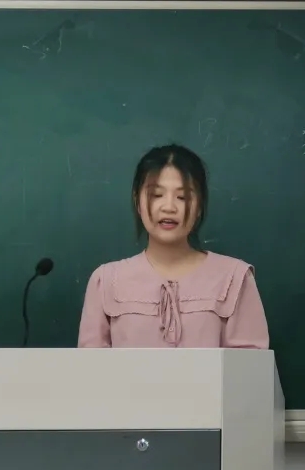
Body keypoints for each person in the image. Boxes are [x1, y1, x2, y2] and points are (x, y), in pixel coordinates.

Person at [78, 144, 270, 349]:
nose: (169, 207)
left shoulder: (235, 278)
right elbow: (90, 367)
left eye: (182, 197)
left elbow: (250, 365)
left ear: (199, 206)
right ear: (137, 201)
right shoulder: (106, 281)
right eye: (156, 195)